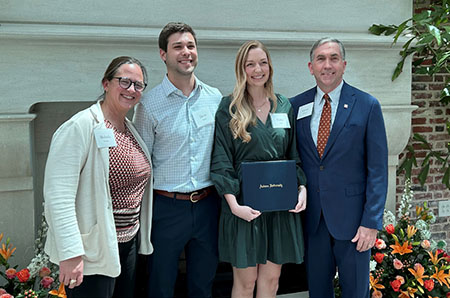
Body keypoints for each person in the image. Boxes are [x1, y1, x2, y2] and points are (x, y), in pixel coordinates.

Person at [44, 56, 154, 298]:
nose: (131, 90)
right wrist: (71, 254)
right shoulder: (80, 127)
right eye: (124, 82)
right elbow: (58, 196)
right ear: (106, 83)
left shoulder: (129, 129)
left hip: (127, 244)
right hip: (92, 249)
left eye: (138, 85)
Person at [290, 38, 388, 298]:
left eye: (334, 58)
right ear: (311, 67)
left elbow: (378, 170)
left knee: (356, 292)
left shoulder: (367, 106)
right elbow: (293, 160)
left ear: (344, 65)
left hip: (354, 223)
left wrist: (371, 222)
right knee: (318, 293)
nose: (327, 65)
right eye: (321, 59)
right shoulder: (295, 106)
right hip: (313, 221)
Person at [210, 40, 307, 298]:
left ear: (270, 67)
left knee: (272, 280)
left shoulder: (284, 105)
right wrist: (233, 205)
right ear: (241, 69)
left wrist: (302, 188)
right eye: (250, 64)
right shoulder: (228, 108)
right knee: (245, 282)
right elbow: (221, 160)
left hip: (279, 207)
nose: (257, 69)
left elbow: (293, 155)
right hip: (244, 207)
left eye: (263, 62)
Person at [133, 22, 222, 298]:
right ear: (163, 54)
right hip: (166, 209)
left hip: (208, 205)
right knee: (161, 284)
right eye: (178, 47)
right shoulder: (148, 105)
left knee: (204, 283)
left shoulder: (215, 98)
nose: (186, 52)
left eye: (191, 46)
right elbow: (141, 164)